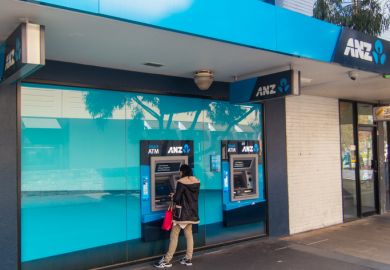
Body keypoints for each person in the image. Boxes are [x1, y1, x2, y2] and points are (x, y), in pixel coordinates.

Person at [154, 164, 200, 268]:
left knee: (174, 236)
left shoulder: (181, 182)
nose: (179, 173)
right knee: (189, 236)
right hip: (192, 213)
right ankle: (188, 259)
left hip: (181, 215)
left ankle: (167, 260)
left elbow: (177, 198)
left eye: (180, 171)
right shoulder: (197, 182)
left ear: (183, 172)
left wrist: (172, 195)